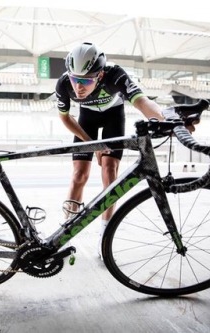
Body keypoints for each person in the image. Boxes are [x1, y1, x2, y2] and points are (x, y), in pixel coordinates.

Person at [55, 42, 166, 257]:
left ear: (100, 74)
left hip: (113, 116)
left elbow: (142, 102)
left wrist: (162, 120)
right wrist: (92, 144)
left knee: (109, 172)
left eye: (85, 80)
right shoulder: (63, 84)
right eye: (74, 79)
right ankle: (65, 230)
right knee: (79, 175)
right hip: (85, 120)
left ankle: (105, 233)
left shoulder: (114, 74)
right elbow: (66, 118)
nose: (78, 86)